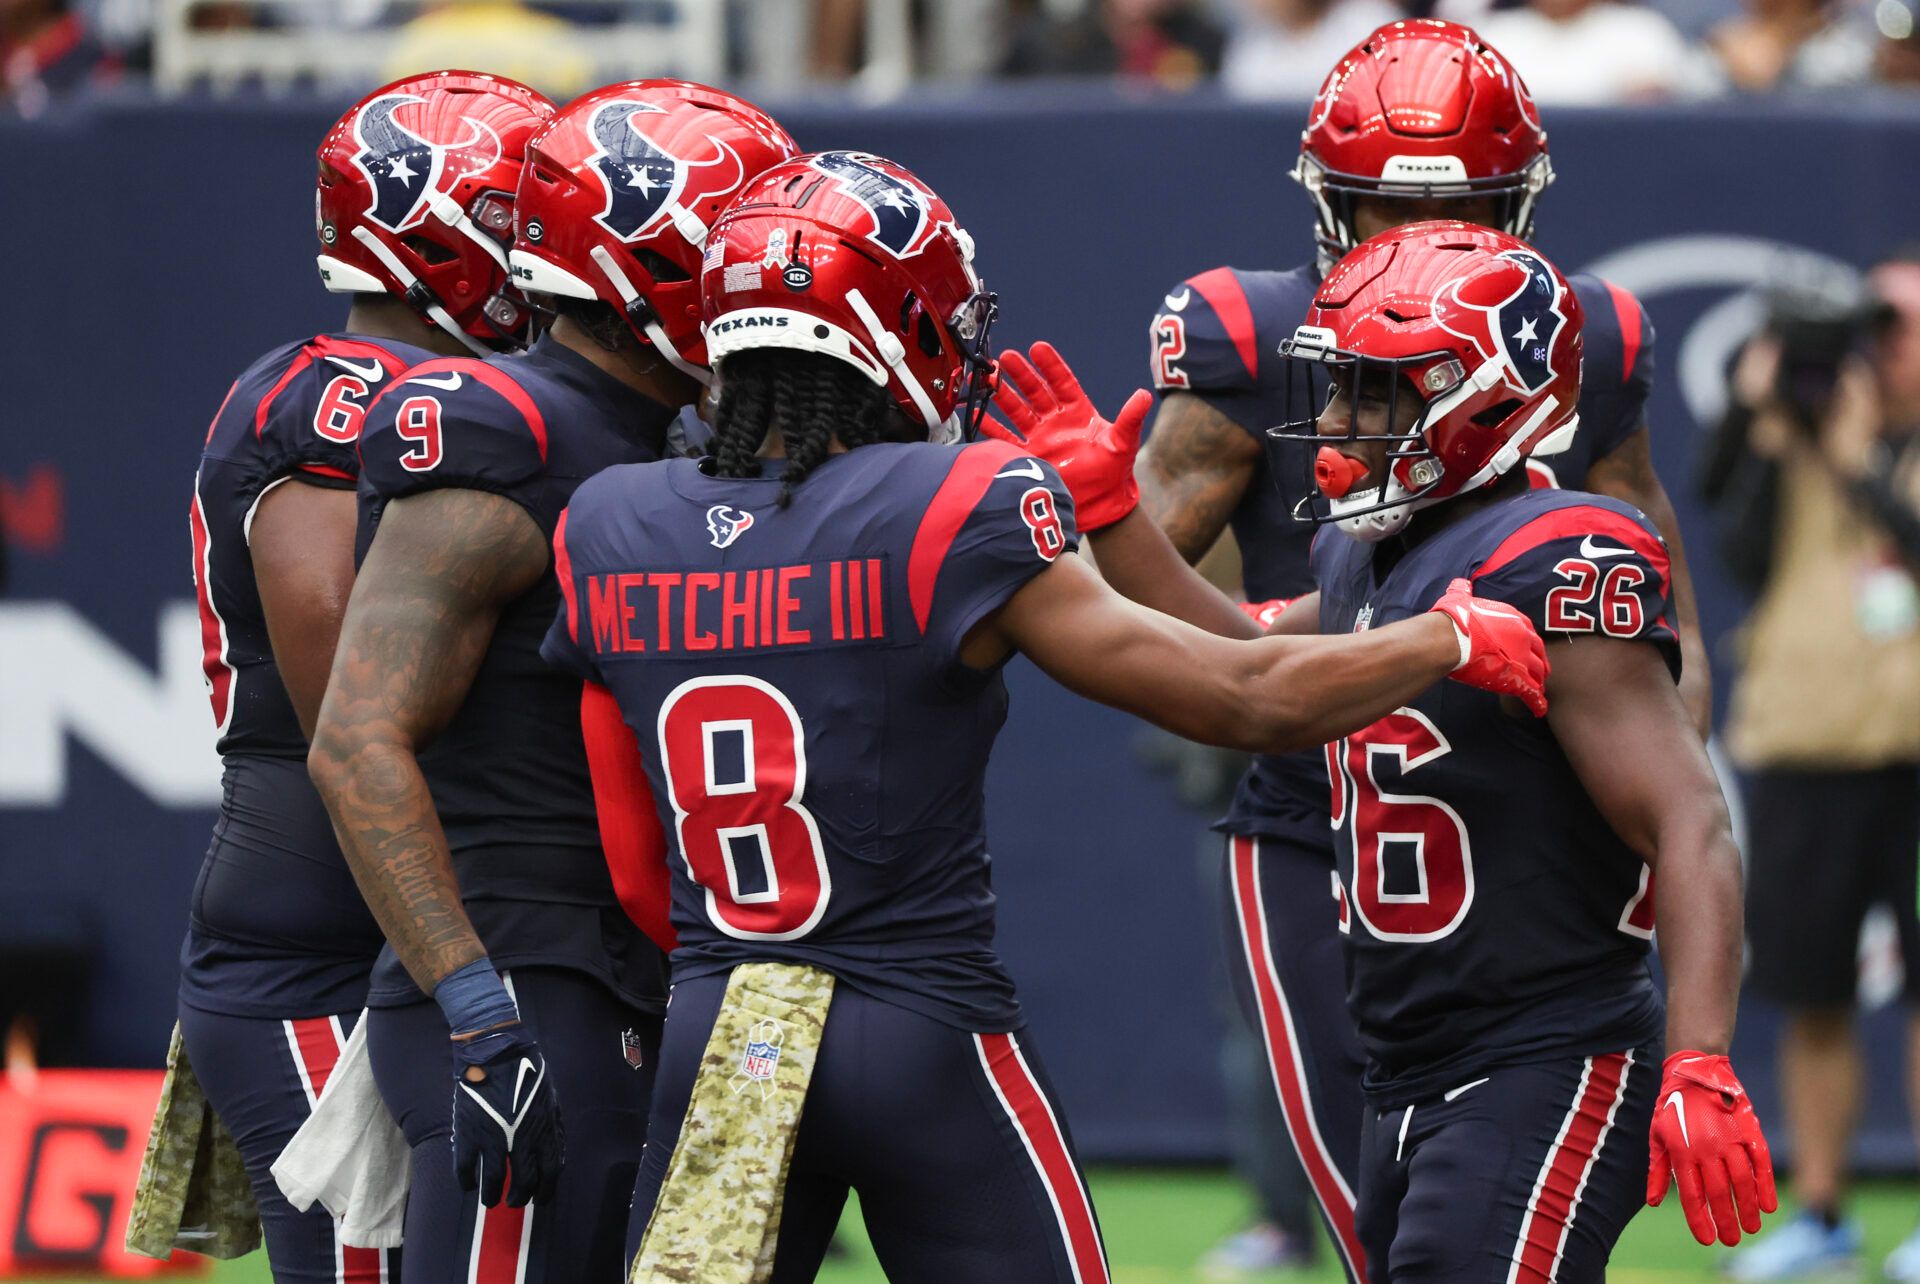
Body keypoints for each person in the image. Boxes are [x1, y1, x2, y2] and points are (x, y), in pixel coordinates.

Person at [540, 151, 1552, 1283]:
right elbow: (1244, 695)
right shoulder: (952, 499)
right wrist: (1444, 635)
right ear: (893, 326)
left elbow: (630, 860)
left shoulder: (607, 522)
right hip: (918, 1025)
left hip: (725, 1030)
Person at [994, 219, 1775, 1278]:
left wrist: (1700, 1056)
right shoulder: (1374, 551)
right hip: (1411, 1064)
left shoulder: (1560, 556)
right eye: (1339, 386)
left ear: (1487, 396)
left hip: (1545, 1052)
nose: (1338, 421)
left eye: (1377, 391)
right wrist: (1113, 513)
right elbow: (1247, 668)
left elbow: (1689, 816)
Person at [1130, 19, 1709, 1277]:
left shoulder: (1582, 336)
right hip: (1322, 783)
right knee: (1374, 1210)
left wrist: (1677, 781)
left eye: (1449, 212)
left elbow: (1664, 599)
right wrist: (1265, 654)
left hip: (1525, 798)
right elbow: (1142, 609)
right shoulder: (1257, 334)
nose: (1406, 245)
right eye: (1377, 208)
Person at [305, 80, 798, 1283]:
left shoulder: (672, 438)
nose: (764, 276)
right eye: (736, 243)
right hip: (527, 980)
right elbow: (357, 738)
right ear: (658, 262)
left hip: (633, 972)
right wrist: (477, 1012)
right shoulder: (509, 429)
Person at [173, 70, 554, 1282]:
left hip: (432, 927)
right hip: (324, 943)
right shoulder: (337, 409)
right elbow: (363, 708)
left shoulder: (500, 401)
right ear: (440, 234)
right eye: (516, 221)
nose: (544, 250)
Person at [1700, 260, 1920, 1280]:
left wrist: (1857, 461)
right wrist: (1756, 417)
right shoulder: (1790, 438)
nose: (1882, 347)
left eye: (1901, 327)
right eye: (1871, 326)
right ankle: (1823, 1207)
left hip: (1913, 758)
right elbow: (1724, 533)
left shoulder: (1871, 449)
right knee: (1809, 988)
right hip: (1803, 745)